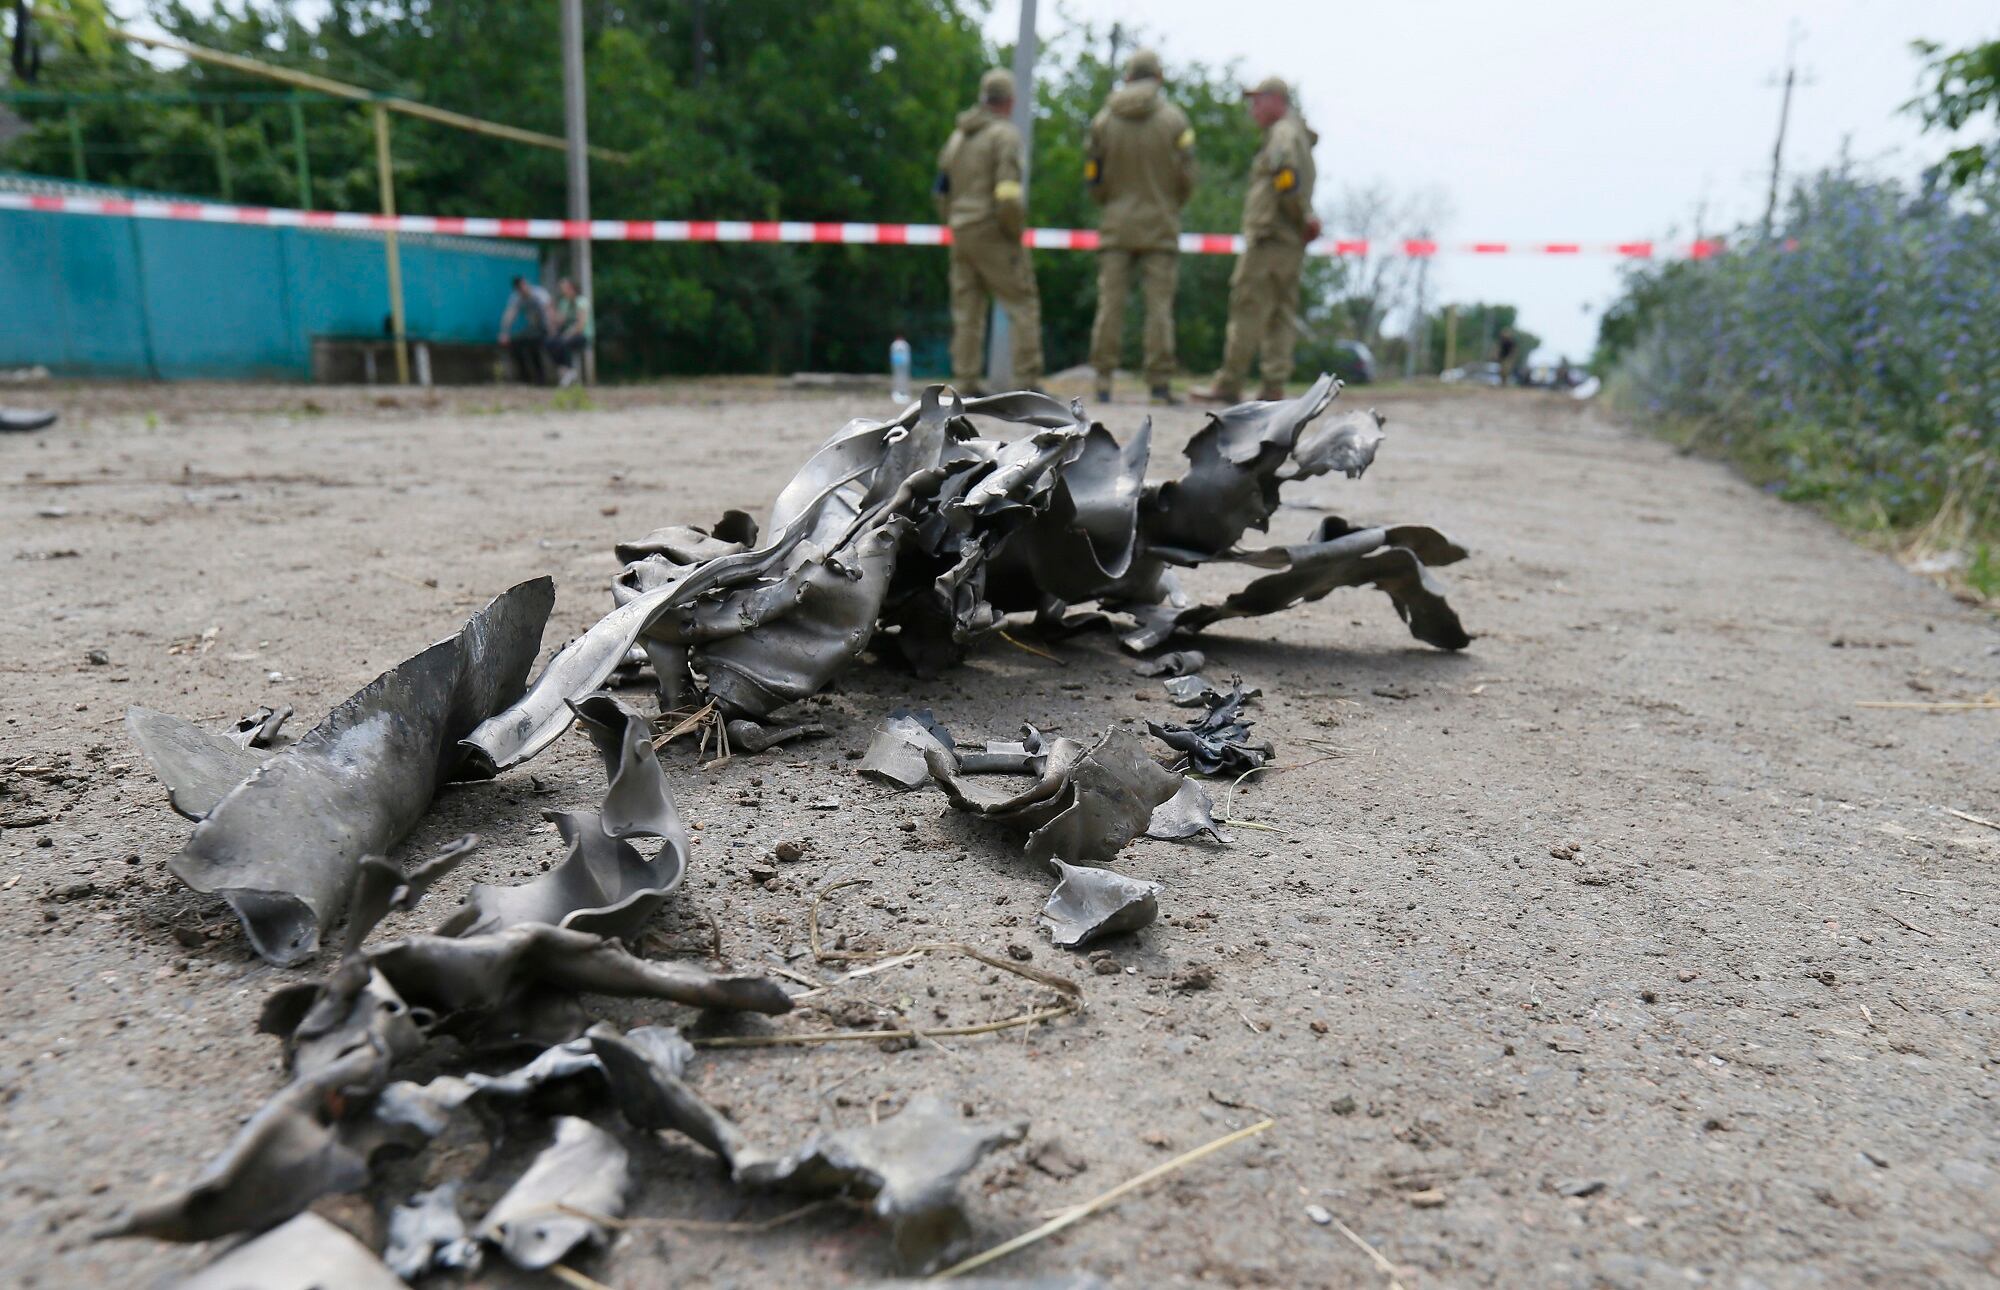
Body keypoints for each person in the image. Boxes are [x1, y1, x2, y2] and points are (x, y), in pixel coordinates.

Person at [1192, 77, 1320, 404]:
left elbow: (1285, 175)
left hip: (1269, 236)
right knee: (1281, 312)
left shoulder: (1281, 134)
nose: (1253, 109)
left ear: (1277, 101)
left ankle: (1229, 383)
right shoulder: (1298, 134)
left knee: (1247, 307)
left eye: (1258, 101)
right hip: (1289, 241)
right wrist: (1304, 218)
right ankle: (1273, 385)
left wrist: (1301, 214)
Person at [1085, 48, 1195, 406]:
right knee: (1159, 309)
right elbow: (1187, 175)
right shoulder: (1175, 121)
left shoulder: (1103, 120)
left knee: (1110, 305)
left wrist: (1108, 200)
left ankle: (1102, 381)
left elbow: (1093, 175)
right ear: (1158, 79)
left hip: (1116, 222)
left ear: (1128, 78)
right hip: (1160, 223)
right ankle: (1159, 384)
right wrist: (1170, 203)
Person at [936, 67, 1043, 394]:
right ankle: (1027, 381)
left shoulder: (957, 138)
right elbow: (1008, 194)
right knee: (1022, 301)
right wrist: (1013, 232)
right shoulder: (1005, 135)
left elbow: (941, 191)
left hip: (961, 231)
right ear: (1009, 101)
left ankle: (966, 382)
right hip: (993, 231)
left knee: (967, 310)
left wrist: (954, 222)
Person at [498, 276, 555, 385]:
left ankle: (540, 378)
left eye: (523, 286)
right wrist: (504, 332)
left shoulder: (540, 294)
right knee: (515, 343)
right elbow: (510, 315)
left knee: (535, 344)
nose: (522, 289)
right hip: (531, 330)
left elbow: (550, 311)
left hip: (544, 329)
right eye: (520, 288)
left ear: (526, 284)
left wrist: (552, 330)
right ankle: (525, 377)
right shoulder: (517, 297)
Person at [548, 276, 593, 387]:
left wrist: (567, 334)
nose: (562, 290)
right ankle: (565, 369)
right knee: (550, 343)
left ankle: (570, 370)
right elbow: (559, 320)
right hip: (568, 333)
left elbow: (581, 324)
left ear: (571, 288)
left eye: (564, 288)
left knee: (563, 342)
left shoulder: (581, 301)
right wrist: (551, 311)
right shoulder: (565, 302)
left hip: (583, 335)